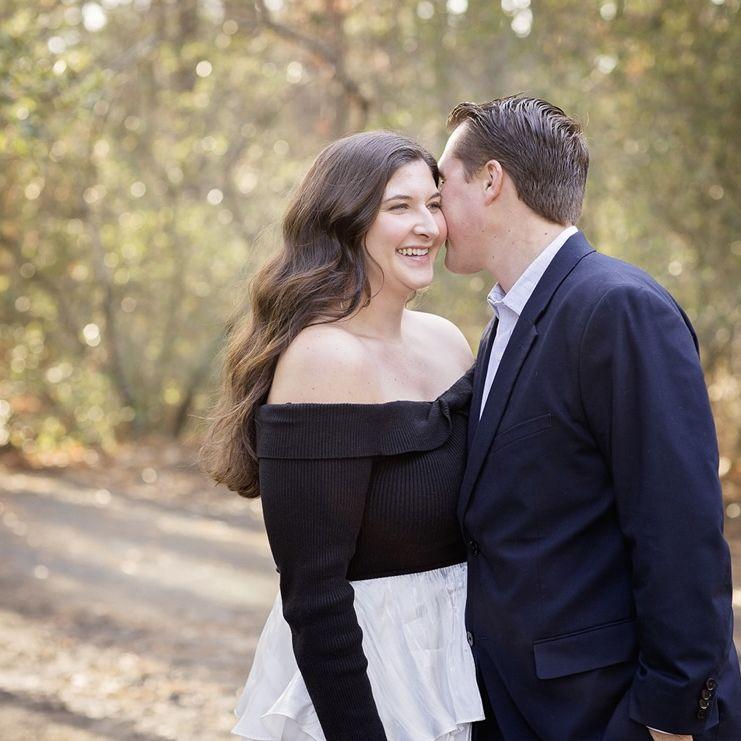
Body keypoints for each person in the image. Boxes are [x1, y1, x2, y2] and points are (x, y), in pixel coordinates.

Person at [438, 95, 741, 741]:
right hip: (516, 703)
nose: (434, 211)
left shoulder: (619, 307)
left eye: (442, 185)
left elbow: (678, 524)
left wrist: (675, 710)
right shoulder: (503, 325)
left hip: (611, 713)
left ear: (490, 181)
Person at [200, 131, 485, 740]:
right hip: (366, 682)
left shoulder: (447, 341)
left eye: (434, 204)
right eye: (399, 206)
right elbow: (315, 596)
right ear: (345, 222)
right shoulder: (323, 358)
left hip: (458, 669)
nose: (428, 225)